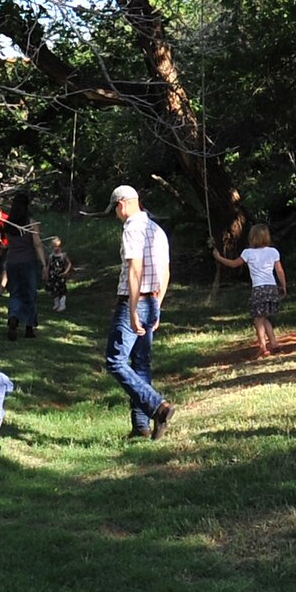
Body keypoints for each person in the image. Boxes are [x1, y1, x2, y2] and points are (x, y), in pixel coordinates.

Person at [106, 185, 174, 439]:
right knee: (141, 362)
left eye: (115, 209)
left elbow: (135, 269)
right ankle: (141, 426)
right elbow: (166, 271)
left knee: (115, 361)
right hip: (152, 300)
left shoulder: (132, 229)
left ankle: (158, 406)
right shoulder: (157, 230)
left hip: (132, 303)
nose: (116, 215)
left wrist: (133, 309)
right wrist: (158, 305)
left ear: (122, 204)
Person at [212, 223, 288, 357]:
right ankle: (274, 343)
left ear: (252, 237)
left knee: (258, 319)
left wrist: (218, 257)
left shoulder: (248, 253)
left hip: (259, 289)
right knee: (264, 317)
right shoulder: (273, 252)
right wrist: (283, 285)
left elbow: (233, 264)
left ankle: (263, 347)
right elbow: (279, 271)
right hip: (271, 287)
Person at [3, 193, 49, 340]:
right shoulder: (31, 223)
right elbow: (37, 245)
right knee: (30, 294)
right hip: (28, 261)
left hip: (12, 261)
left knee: (15, 292)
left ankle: (14, 316)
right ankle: (29, 327)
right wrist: (44, 264)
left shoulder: (8, 224)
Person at [45, 236, 73, 312]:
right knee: (54, 289)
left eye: (58, 246)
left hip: (61, 275)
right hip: (53, 275)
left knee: (62, 289)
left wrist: (66, 272)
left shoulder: (63, 255)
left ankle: (62, 304)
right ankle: (56, 303)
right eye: (54, 247)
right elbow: (48, 265)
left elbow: (69, 263)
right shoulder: (51, 256)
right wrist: (46, 274)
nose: (56, 248)